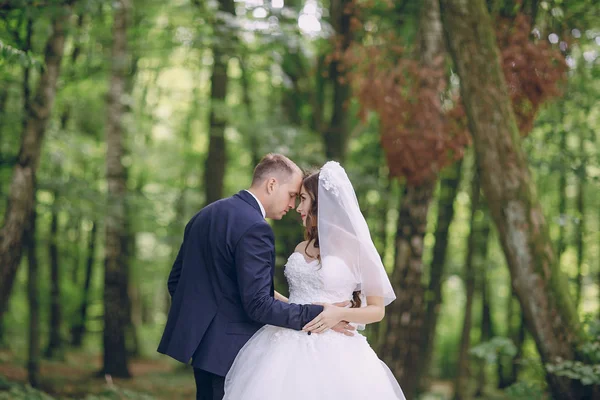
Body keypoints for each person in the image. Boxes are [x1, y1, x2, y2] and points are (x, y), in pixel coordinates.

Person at [157, 154, 352, 400]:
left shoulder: (204, 215)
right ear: (272, 184)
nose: (293, 205)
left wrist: (206, 324)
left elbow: (176, 281)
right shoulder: (255, 228)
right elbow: (258, 305)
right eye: (292, 194)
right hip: (234, 353)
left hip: (202, 351)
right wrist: (322, 315)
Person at [223, 161, 405, 400]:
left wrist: (338, 314)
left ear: (321, 204)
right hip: (282, 342)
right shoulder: (302, 246)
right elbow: (285, 296)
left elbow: (377, 310)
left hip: (336, 349)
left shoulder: (358, 250)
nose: (298, 207)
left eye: (304, 200)